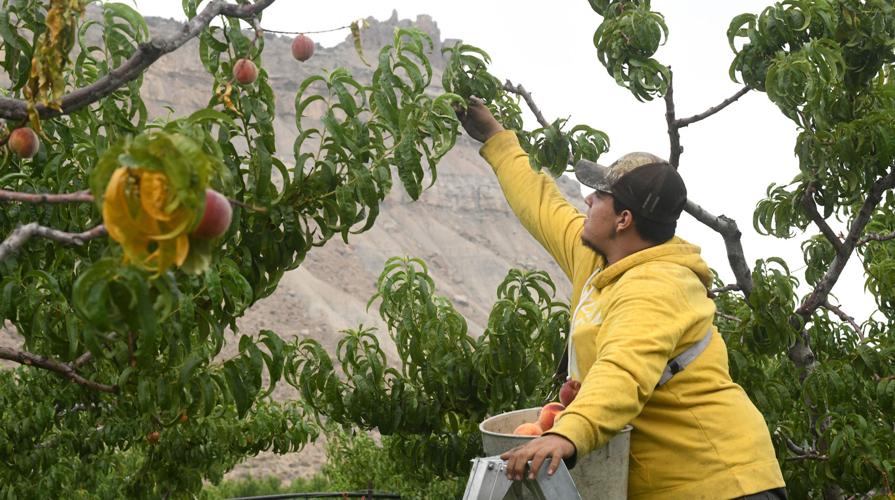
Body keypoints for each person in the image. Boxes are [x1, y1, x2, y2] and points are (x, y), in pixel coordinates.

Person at [457, 98, 786, 499]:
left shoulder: (658, 286)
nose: (587, 201)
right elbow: (540, 205)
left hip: (723, 483)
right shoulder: (597, 256)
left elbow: (623, 370)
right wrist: (496, 137)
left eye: (599, 195)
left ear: (623, 219)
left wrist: (568, 435)